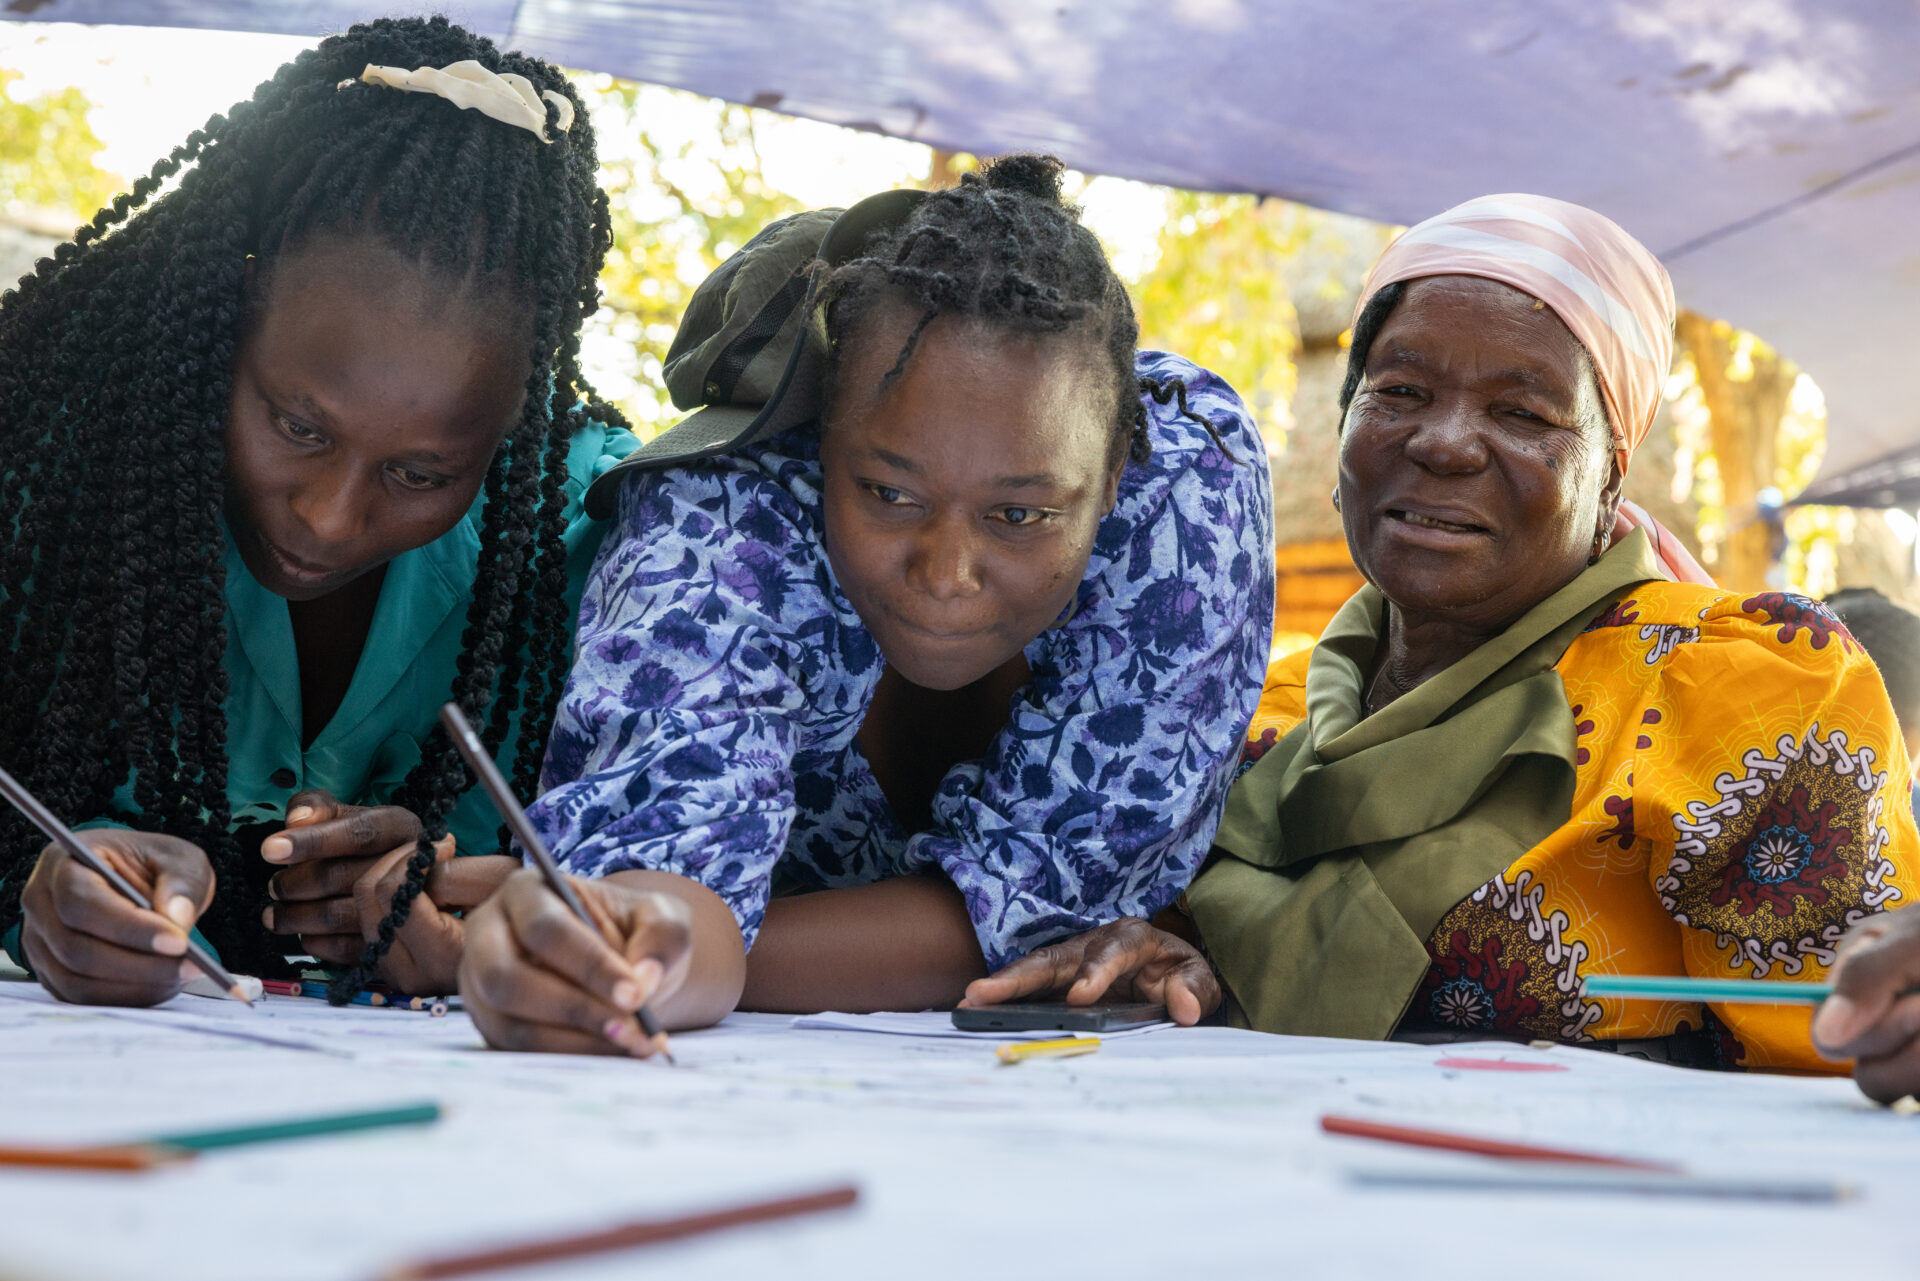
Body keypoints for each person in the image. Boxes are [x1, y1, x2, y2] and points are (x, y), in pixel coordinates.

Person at [967, 193, 1918, 1072]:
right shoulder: (1256, 715)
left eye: (1523, 411)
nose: (1446, 441)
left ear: (1610, 477)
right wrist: (1189, 968)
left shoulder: (1743, 695)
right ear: (1342, 431)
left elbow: (1845, 1059)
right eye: (1402, 392)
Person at [456, 156, 1275, 1055]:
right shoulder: (722, 530)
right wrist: (614, 947)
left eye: (1020, 515)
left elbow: (1054, 889)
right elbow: (669, 888)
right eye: (889, 493)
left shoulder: (1186, 498)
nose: (948, 571)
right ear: (821, 439)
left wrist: (734, 946)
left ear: (1115, 474)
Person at [0, 17, 634, 1005]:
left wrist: (477, 902)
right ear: (232, 305)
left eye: (423, 474)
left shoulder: (592, 529)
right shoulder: (50, 460)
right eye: (298, 426)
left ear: (514, 420)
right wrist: (42, 885)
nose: (332, 521)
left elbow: (651, 869)